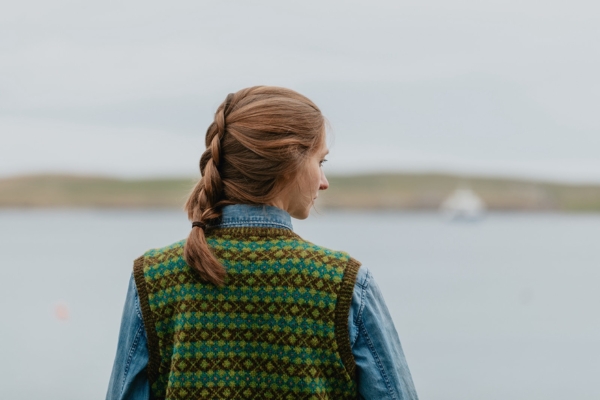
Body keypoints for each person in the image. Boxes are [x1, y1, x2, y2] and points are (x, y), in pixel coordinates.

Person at [106, 86, 418, 400]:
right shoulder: (345, 283)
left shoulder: (153, 277)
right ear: (290, 162)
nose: (324, 182)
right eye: (320, 162)